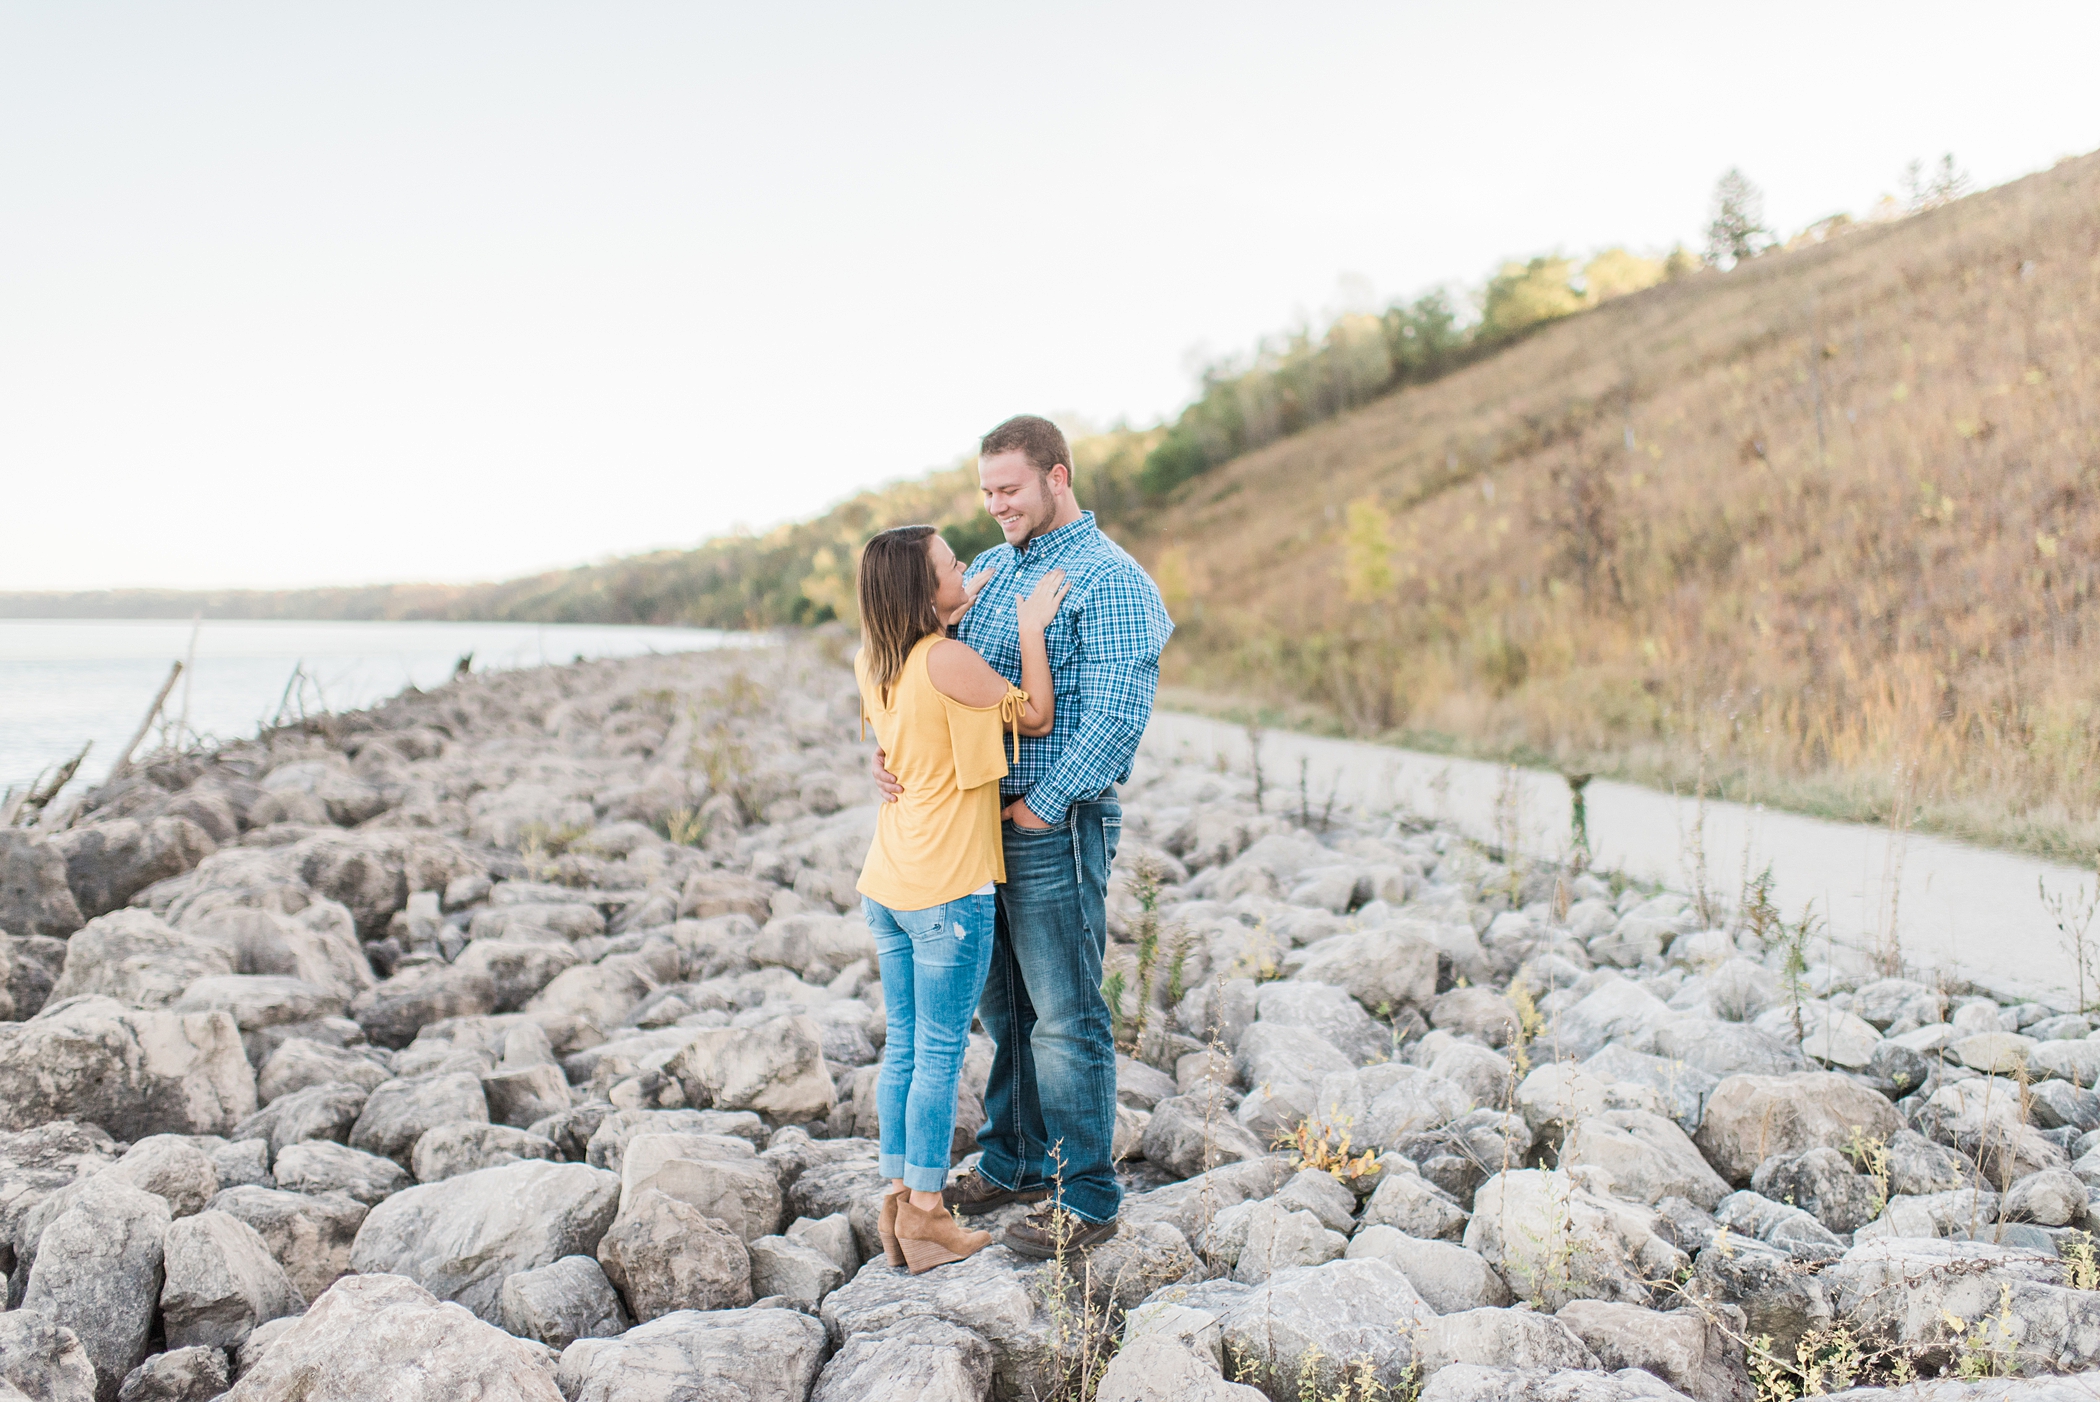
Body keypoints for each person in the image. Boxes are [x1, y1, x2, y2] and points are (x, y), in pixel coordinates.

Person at [873, 414, 1174, 1258]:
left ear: (1057, 476)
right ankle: (1011, 1161)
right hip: (971, 828)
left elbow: (1118, 715)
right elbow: (935, 678)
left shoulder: (1111, 579)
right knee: (1003, 1009)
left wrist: (1044, 804)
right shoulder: (995, 571)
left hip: (1052, 823)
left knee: (1064, 1015)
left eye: (1009, 489)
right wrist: (888, 752)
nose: (995, 505)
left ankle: (1087, 1193)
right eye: (986, 491)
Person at [854, 523, 1067, 1273]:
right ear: (924, 590)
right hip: (947, 886)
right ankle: (924, 1215)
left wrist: (959, 603)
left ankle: (899, 1196)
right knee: (940, 1053)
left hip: (888, 879)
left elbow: (889, 743)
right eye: (951, 566)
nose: (966, 571)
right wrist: (1029, 627)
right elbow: (1034, 715)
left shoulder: (874, 660)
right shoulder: (948, 659)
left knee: (906, 1048)